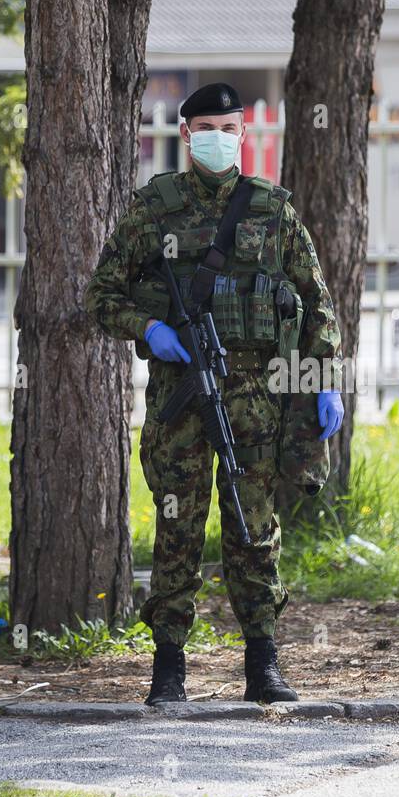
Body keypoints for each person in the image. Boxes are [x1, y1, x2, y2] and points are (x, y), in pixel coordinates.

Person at [86, 83, 344, 704]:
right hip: (181, 394)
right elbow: (103, 295)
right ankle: (169, 668)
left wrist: (324, 380)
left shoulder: (272, 209)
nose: (218, 139)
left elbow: (316, 304)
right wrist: (149, 328)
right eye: (206, 128)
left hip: (255, 395)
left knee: (254, 526)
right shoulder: (156, 207)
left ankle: (263, 664)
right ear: (185, 135)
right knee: (178, 523)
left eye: (229, 129)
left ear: (243, 135)